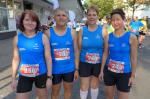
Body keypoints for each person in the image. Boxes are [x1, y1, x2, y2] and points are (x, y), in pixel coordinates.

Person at [11, 10, 52, 99]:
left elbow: (48, 58)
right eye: (27, 20)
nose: (30, 23)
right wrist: (13, 78)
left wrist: (49, 77)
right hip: (24, 75)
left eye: (33, 20)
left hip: (41, 74)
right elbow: (15, 59)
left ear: (37, 23)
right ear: (22, 21)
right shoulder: (16, 39)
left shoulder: (43, 37)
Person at [99, 8, 138, 99]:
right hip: (109, 72)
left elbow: (133, 58)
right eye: (113, 20)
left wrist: (132, 75)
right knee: (109, 97)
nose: (115, 22)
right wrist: (101, 71)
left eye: (118, 19)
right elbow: (105, 54)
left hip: (124, 73)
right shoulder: (108, 37)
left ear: (123, 20)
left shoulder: (131, 37)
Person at [44, 8, 79, 99]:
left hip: (69, 69)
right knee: (55, 92)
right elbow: (45, 54)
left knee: (68, 91)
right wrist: (47, 72)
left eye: (63, 15)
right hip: (54, 70)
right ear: (54, 18)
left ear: (67, 18)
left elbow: (76, 51)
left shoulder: (73, 32)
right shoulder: (48, 33)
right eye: (58, 15)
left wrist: (76, 69)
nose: (61, 18)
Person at [78, 6, 107, 99]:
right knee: (84, 86)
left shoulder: (103, 30)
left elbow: (106, 51)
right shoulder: (82, 30)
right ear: (86, 16)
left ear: (97, 16)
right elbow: (78, 49)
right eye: (89, 15)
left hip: (98, 64)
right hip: (84, 62)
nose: (91, 17)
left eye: (94, 15)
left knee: (94, 85)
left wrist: (102, 69)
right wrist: (76, 66)